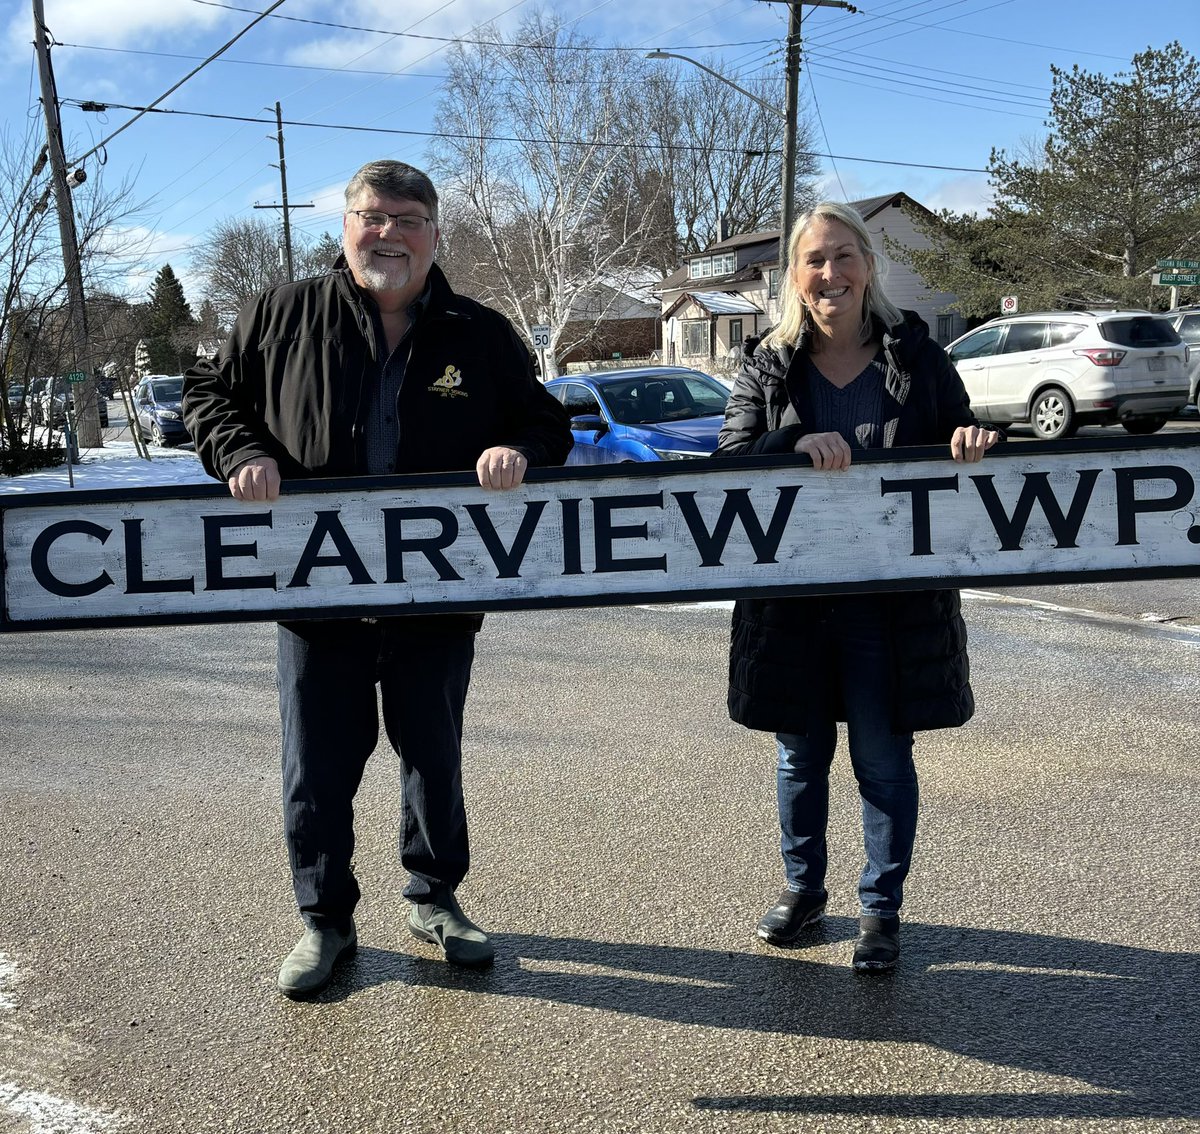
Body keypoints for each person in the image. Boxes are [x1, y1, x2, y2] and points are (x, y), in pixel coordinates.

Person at [183, 160, 572, 998]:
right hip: (315, 591)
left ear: (433, 234)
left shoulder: (478, 330)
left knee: (432, 754)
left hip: (436, 591)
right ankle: (325, 920)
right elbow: (206, 397)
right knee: (317, 765)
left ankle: (435, 898)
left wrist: (522, 452)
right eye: (372, 216)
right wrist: (241, 452)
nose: (388, 233)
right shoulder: (280, 314)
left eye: (407, 218)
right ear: (345, 225)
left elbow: (544, 418)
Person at [715, 201, 998, 972]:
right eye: (815, 260)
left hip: (892, 604)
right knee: (799, 757)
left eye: (844, 256)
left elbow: (956, 439)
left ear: (867, 265)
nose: (831, 272)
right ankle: (804, 892)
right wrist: (791, 440)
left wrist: (968, 440)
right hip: (793, 603)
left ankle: (881, 911)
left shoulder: (918, 355)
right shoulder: (768, 360)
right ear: (794, 276)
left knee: (881, 757)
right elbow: (731, 455)